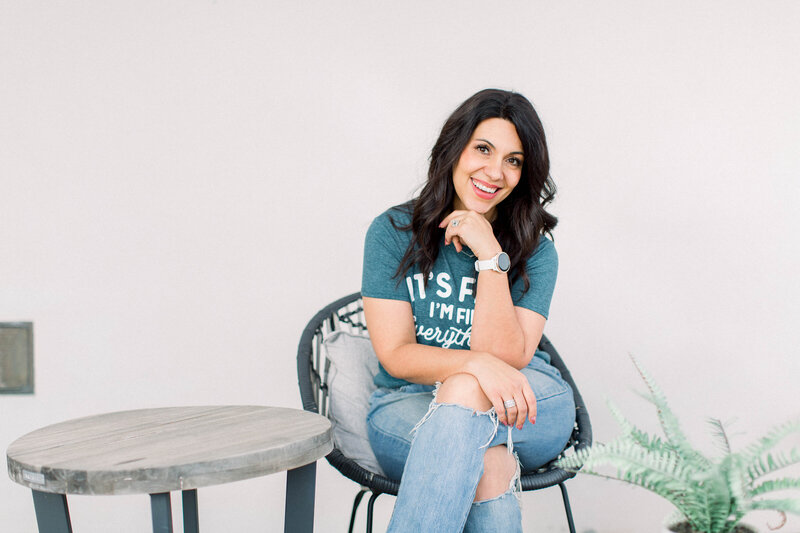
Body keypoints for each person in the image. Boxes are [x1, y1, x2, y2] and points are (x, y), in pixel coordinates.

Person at [361, 88, 575, 532]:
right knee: (489, 464)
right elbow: (396, 354)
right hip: (407, 405)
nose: (495, 172)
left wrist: (490, 258)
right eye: (483, 149)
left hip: (523, 400)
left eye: (514, 160)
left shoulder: (536, 251)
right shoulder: (393, 232)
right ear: (453, 148)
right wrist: (473, 366)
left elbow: (509, 358)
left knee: (466, 393)